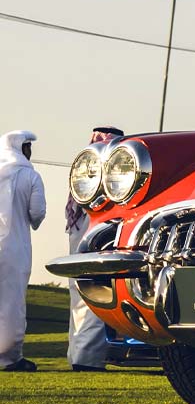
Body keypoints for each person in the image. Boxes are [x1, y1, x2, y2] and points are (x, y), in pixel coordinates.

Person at [65, 126, 124, 372]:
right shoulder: (108, 167)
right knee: (95, 294)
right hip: (96, 234)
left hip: (77, 234)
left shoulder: (82, 167)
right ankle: (88, 359)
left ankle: (77, 355)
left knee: (78, 297)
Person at [0, 130, 47, 372]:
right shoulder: (30, 175)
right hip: (14, 247)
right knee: (11, 303)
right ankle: (9, 358)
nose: (30, 152)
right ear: (21, 148)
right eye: (28, 147)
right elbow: (37, 213)